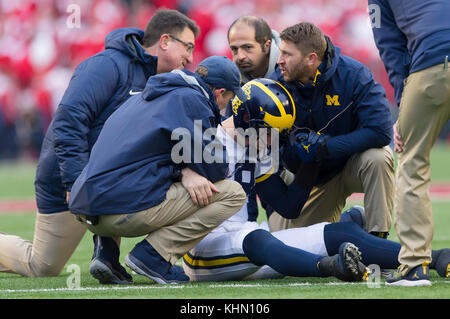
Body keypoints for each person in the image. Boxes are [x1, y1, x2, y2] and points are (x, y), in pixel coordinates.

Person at [181, 78, 450, 282]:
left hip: (248, 240)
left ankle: (433, 259)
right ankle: (332, 267)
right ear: (245, 119)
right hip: (203, 251)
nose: (273, 140)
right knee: (257, 237)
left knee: (336, 233)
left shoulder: (256, 148)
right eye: (269, 131)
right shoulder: (205, 142)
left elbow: (288, 206)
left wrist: (310, 161)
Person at [0, 9, 199, 283]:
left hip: (111, 181)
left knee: (190, 187)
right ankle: (106, 250)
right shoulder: (107, 65)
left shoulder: (168, 82)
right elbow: (69, 122)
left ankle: (111, 253)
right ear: (164, 41)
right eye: (187, 47)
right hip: (66, 176)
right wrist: (75, 181)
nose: (190, 57)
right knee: (43, 265)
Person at [69, 56, 247, 284]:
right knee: (232, 193)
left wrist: (182, 169)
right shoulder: (192, 100)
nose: (228, 104)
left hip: (87, 208)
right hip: (120, 211)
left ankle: (107, 254)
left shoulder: (147, 95)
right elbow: (216, 169)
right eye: (230, 97)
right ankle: (154, 256)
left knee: (127, 173)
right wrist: (186, 169)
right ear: (219, 93)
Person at [268, 22, 394, 239]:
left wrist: (326, 147)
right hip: (310, 177)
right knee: (290, 247)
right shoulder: (274, 85)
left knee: (379, 157)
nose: (279, 60)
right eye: (281, 52)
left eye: (287, 54)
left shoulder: (354, 74)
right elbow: (272, 151)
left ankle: (377, 240)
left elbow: (381, 130)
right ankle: (354, 220)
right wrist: (297, 149)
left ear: (311, 59)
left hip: (350, 165)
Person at [369, 0, 450, 286]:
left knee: (412, 162)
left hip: (433, 62)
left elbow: (390, 46)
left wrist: (403, 105)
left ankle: (415, 266)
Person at [226, 15, 281, 221]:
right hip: (257, 158)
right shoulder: (232, 77)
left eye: (247, 48)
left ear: (267, 45)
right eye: (234, 49)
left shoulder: (290, 66)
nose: (239, 56)